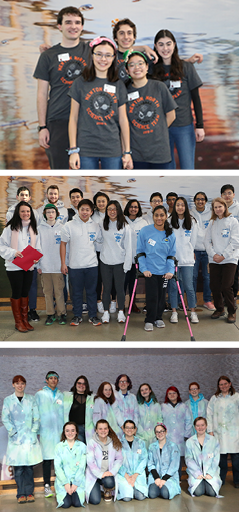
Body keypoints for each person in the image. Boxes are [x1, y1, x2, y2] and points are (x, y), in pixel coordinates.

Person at [35, 7, 89, 169]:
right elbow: (42, 94)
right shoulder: (48, 55)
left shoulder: (92, 51)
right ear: (59, 26)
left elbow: (119, 50)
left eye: (77, 22)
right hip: (58, 122)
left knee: (86, 172)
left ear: (82, 26)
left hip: (87, 122)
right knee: (60, 172)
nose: (73, 26)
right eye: (68, 22)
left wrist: (144, 49)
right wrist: (42, 127)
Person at [68, 37, 130, 170]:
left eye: (108, 55)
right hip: (85, 149)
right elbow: (73, 118)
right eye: (99, 54)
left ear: (114, 58)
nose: (103, 59)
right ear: (92, 55)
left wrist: (127, 152)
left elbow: (123, 119)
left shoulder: (118, 84)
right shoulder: (80, 82)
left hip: (112, 149)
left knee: (113, 187)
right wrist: (73, 150)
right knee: (87, 188)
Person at [153, 30, 205, 168]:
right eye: (161, 44)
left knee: (188, 167)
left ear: (174, 45)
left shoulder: (186, 68)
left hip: (184, 126)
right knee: (167, 168)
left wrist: (200, 126)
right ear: (155, 46)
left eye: (168, 44)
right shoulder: (149, 70)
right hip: (161, 128)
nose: (165, 48)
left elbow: (196, 98)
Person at [124, 52, 177, 168]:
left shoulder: (159, 87)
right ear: (127, 71)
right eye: (132, 65)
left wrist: (158, 129)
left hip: (160, 152)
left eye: (140, 63)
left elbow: (171, 115)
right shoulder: (124, 92)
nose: (136, 67)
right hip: (136, 153)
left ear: (147, 67)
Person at [60, 200, 101, 326]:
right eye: (82, 209)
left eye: (87, 210)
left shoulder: (96, 225)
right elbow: (63, 244)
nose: (85, 212)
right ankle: (77, 316)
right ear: (78, 210)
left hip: (92, 265)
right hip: (75, 265)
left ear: (91, 212)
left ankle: (93, 316)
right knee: (76, 292)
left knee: (92, 292)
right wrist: (63, 263)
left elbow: (99, 243)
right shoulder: (69, 225)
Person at [0, 201, 40, 333]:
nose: (25, 214)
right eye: (23, 211)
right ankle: (18, 322)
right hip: (13, 266)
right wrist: (13, 252)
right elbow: (2, 246)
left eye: (28, 211)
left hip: (28, 266)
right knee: (17, 293)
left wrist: (36, 258)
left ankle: (25, 320)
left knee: (25, 292)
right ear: (18, 212)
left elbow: (38, 246)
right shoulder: (10, 228)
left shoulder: (33, 228)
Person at [3, 375, 43, 503]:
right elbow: (5, 418)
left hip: (29, 438)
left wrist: (33, 432)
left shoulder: (31, 399)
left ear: (25, 385)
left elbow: (36, 417)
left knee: (29, 468)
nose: (20, 385)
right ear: (13, 385)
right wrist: (13, 432)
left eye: (22, 383)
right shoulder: (8, 400)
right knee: (19, 469)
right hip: (16, 439)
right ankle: (21, 493)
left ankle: (29, 493)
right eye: (17, 383)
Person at [136, 206, 175, 332]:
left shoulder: (170, 233)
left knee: (162, 297)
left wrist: (170, 271)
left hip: (164, 272)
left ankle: (158, 318)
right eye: (156, 215)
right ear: (153, 216)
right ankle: (149, 320)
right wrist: (144, 269)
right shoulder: (145, 231)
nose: (159, 218)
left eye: (162, 215)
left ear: (166, 216)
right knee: (152, 296)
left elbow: (171, 255)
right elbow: (140, 252)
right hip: (150, 271)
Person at [205, 197, 239, 324]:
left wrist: (223, 255)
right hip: (214, 259)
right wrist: (213, 254)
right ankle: (220, 309)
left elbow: (236, 241)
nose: (218, 209)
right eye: (215, 207)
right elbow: (207, 241)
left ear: (225, 207)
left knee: (226, 286)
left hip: (229, 259)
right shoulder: (212, 223)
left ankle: (232, 311)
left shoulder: (233, 222)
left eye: (220, 206)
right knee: (214, 286)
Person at [207, 375, 239, 489]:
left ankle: (238, 480)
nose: (223, 386)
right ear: (218, 386)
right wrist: (210, 430)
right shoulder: (214, 399)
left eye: (225, 384)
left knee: (236, 460)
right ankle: (221, 480)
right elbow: (209, 415)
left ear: (230, 384)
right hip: (219, 433)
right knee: (221, 461)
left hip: (234, 433)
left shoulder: (237, 397)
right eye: (221, 384)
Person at [97, 201, 132, 325]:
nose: (112, 211)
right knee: (106, 288)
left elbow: (129, 247)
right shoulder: (102, 223)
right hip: (105, 261)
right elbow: (99, 239)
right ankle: (106, 312)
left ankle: (121, 311)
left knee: (119, 289)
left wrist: (127, 265)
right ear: (107, 211)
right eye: (109, 209)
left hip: (119, 262)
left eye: (114, 209)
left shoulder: (124, 226)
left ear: (119, 210)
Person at [168, 197, 198, 324]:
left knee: (189, 287)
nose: (180, 207)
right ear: (174, 207)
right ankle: (174, 312)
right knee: (173, 286)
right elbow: (168, 241)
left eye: (182, 205)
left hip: (187, 260)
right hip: (173, 260)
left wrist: (190, 253)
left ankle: (193, 312)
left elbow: (193, 241)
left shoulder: (192, 221)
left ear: (186, 207)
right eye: (178, 205)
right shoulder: (169, 221)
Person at [38, 204, 66, 325]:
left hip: (58, 265)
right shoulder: (39, 229)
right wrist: (39, 265)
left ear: (56, 214)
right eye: (48, 212)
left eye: (52, 212)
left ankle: (62, 313)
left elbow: (67, 248)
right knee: (47, 291)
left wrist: (65, 263)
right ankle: (50, 314)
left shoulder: (63, 228)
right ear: (44, 214)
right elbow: (37, 248)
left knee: (59, 291)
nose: (50, 214)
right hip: (45, 266)